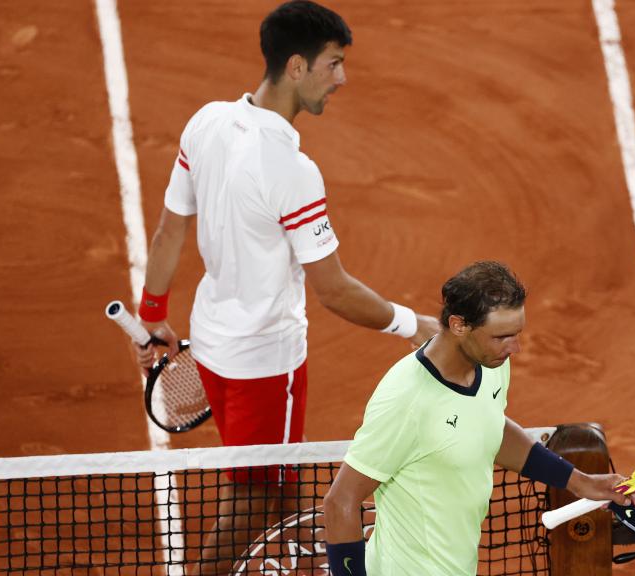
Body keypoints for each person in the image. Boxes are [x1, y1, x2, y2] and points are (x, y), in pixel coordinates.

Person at [132, 2, 440, 572]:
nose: (342, 78)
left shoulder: (207, 122)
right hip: (265, 364)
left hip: (215, 346)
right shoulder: (292, 171)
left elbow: (169, 228)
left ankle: (307, 562)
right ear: (296, 67)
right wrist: (411, 324)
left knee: (278, 472)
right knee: (253, 500)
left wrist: (152, 313)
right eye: (334, 64)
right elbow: (334, 289)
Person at [323, 261, 634, 575]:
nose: (516, 347)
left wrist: (579, 482)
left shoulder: (490, 364)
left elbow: (490, 426)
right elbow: (341, 502)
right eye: (501, 336)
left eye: (516, 333)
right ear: (459, 325)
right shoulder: (407, 400)